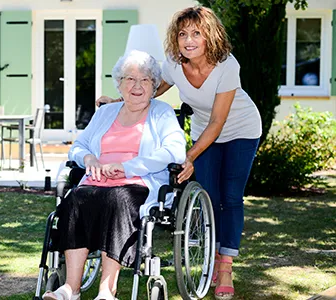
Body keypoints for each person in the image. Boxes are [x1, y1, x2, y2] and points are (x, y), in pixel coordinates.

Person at [97, 6, 262, 300]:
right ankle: (212, 255)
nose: (189, 40)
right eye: (183, 33)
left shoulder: (226, 65)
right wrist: (118, 100)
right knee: (210, 197)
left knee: (231, 197)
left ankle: (225, 267)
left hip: (240, 131)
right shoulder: (174, 63)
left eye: (196, 33)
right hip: (204, 132)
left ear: (209, 36)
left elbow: (218, 121)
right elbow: (153, 89)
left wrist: (190, 156)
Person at [43, 50, 186, 300]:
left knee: (118, 199)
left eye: (145, 80)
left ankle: (107, 291)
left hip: (137, 184)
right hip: (95, 182)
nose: (137, 86)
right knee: (75, 199)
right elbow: (79, 146)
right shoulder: (105, 113)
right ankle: (70, 288)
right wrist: (89, 159)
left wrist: (127, 167)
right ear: (119, 84)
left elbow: (175, 151)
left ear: (154, 85)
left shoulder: (161, 113)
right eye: (130, 79)